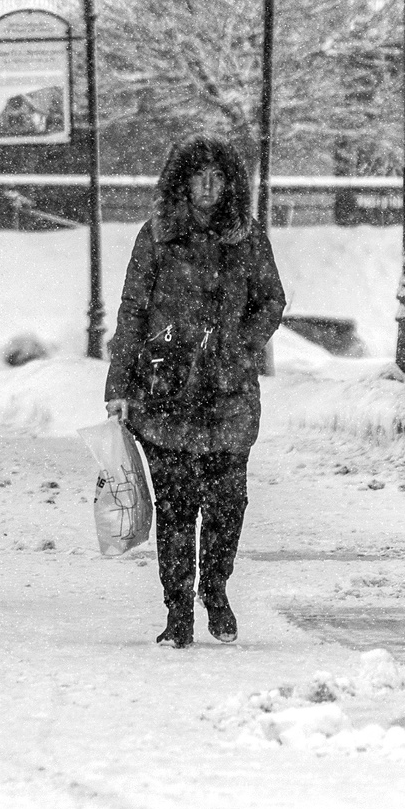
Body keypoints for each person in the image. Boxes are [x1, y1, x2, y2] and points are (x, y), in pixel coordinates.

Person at [104, 133, 287, 648]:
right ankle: (178, 608)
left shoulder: (248, 238)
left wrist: (238, 346)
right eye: (197, 176)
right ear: (180, 182)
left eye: (218, 176)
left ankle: (216, 586)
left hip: (227, 396)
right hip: (164, 393)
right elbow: (132, 310)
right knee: (178, 507)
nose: (208, 186)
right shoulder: (155, 237)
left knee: (229, 504)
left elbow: (271, 301)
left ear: (230, 184)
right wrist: (118, 384)